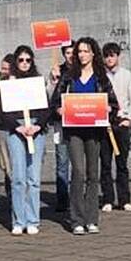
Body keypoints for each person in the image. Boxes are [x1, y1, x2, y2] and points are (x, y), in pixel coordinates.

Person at [52, 37, 118, 235]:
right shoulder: (68, 76)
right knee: (78, 172)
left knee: (92, 174)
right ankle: (76, 219)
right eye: (78, 51)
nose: (81, 55)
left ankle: (91, 219)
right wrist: (59, 109)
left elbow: (113, 103)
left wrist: (108, 108)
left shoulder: (101, 78)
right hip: (74, 132)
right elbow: (56, 100)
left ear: (93, 54)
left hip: (94, 132)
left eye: (85, 51)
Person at [0, 45, 50, 235]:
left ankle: (32, 219)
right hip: (17, 129)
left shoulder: (37, 82)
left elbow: (46, 109)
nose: (24, 63)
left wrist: (37, 127)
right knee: (18, 178)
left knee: (33, 178)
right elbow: (3, 111)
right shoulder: (9, 83)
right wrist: (18, 127)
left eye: (28, 60)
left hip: (35, 128)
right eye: (21, 60)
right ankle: (18, 220)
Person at [100, 42, 131, 213]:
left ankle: (124, 200)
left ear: (118, 56)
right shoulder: (100, 76)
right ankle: (108, 198)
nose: (109, 59)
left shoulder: (127, 75)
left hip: (121, 123)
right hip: (104, 124)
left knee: (122, 163)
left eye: (112, 55)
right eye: (107, 55)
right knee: (105, 163)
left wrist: (128, 118)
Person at [48, 41, 74, 213]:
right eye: (67, 52)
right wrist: (53, 80)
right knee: (62, 162)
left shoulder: (84, 70)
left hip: (80, 123)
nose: (70, 55)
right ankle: (62, 200)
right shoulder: (58, 71)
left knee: (80, 164)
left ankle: (79, 198)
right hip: (61, 123)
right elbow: (50, 97)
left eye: (73, 52)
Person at [0, 54, 15, 203]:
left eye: (6, 69)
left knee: (17, 162)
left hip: (17, 127)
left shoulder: (22, 81)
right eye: (2, 68)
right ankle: (10, 194)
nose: (3, 71)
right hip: (2, 126)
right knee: (6, 163)